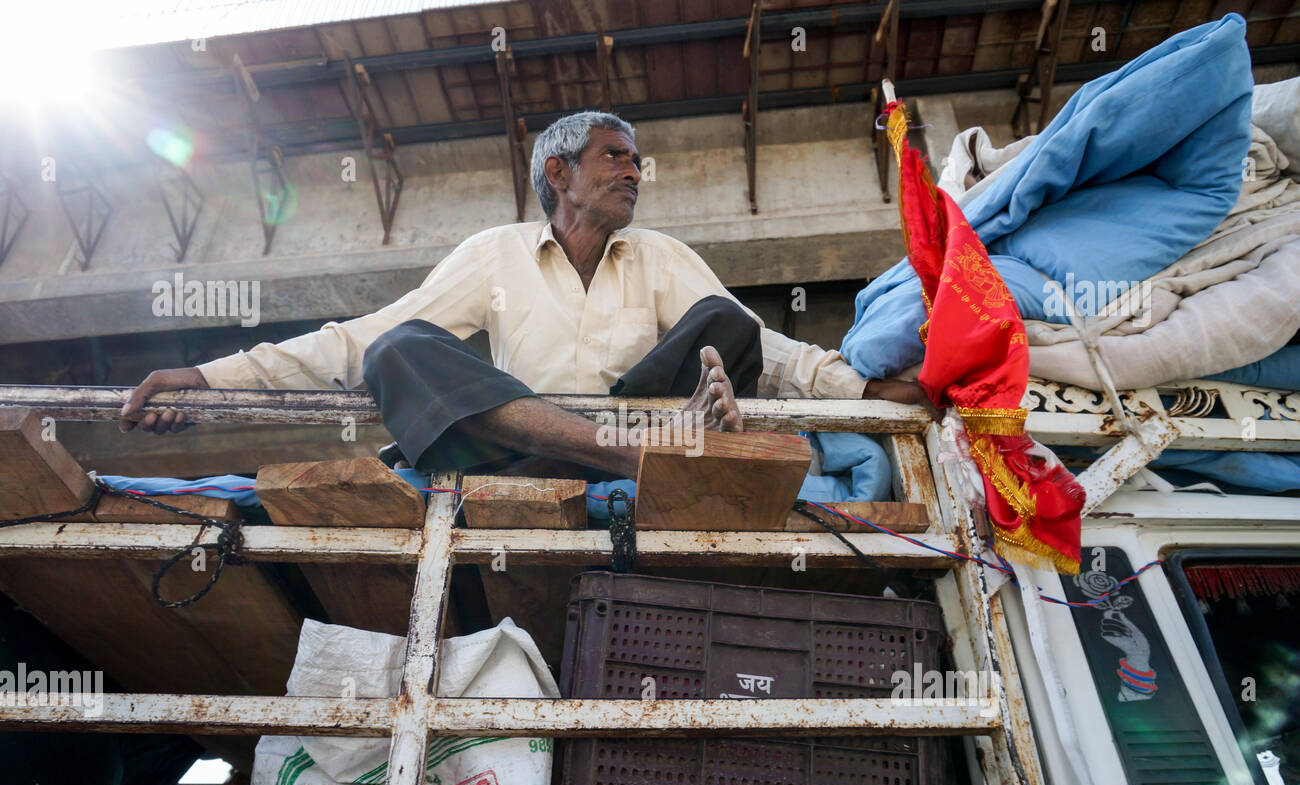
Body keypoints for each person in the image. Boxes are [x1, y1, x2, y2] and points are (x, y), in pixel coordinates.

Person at [120, 111, 934, 477]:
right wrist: (209, 378)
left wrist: (868, 391)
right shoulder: (494, 254)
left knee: (728, 320)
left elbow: (772, 348)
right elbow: (358, 340)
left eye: (636, 161)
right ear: (559, 172)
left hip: (635, 419)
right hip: (530, 455)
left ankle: (642, 448)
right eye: (615, 156)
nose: (632, 172)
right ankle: (642, 457)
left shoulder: (656, 254)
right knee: (403, 348)